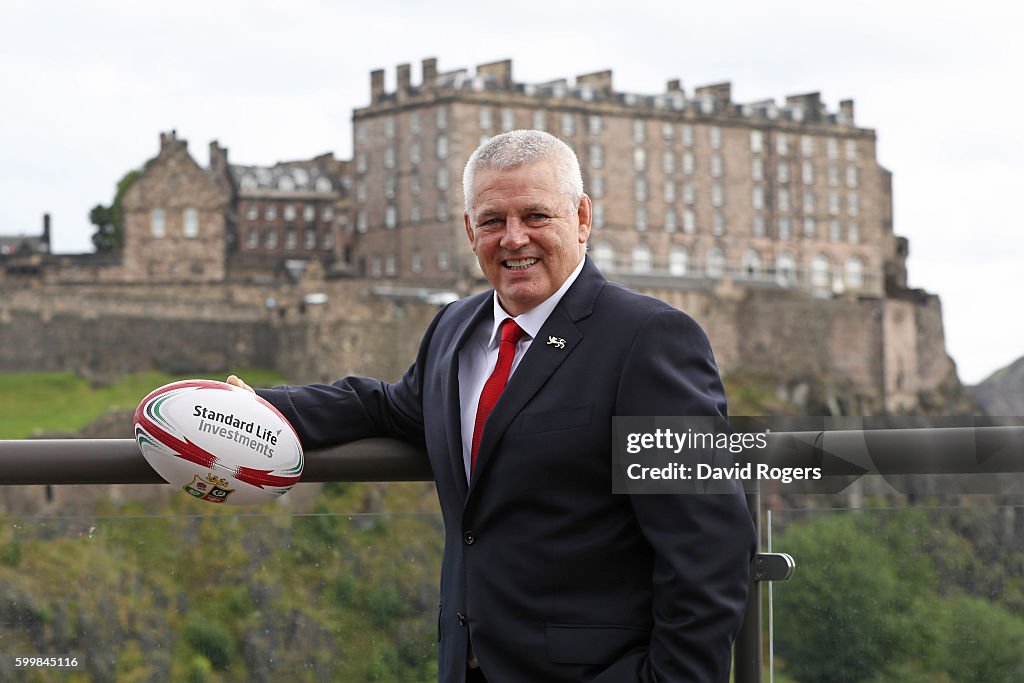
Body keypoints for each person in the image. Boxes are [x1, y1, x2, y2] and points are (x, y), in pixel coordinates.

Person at [229, 129, 755, 682]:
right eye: (492, 221)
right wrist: (255, 408)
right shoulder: (456, 327)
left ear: (581, 218)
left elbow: (710, 548)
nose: (513, 239)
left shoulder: (649, 338)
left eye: (535, 216)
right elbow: (391, 409)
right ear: (468, 230)